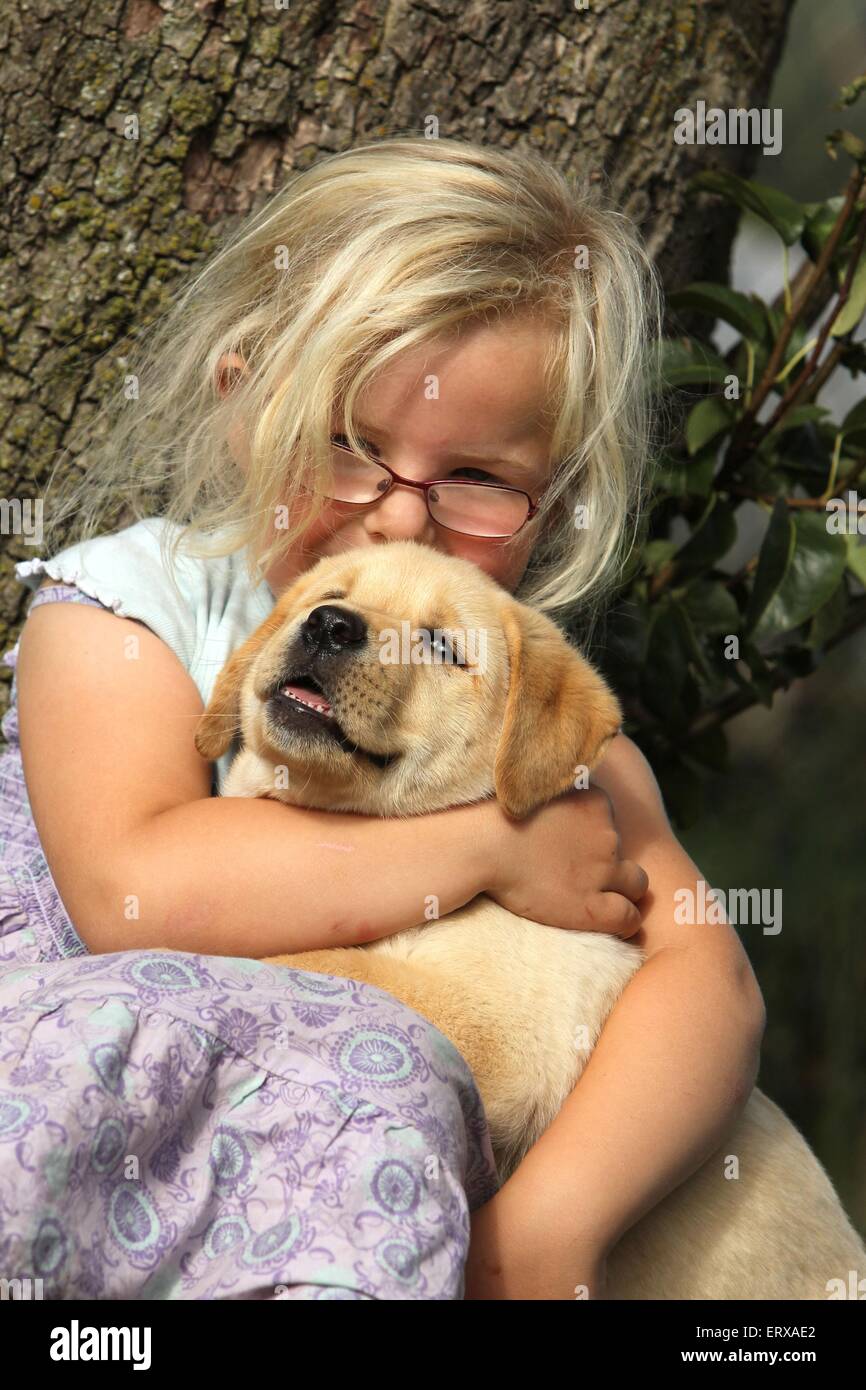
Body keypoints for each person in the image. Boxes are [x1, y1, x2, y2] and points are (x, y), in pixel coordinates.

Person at [4, 136, 765, 1300]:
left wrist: (552, 1226)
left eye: (473, 476)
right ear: (245, 403)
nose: (399, 521)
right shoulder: (132, 606)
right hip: (115, 1143)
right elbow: (133, 889)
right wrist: (491, 845)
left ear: (550, 506)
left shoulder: (534, 715)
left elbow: (706, 980)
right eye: (350, 445)